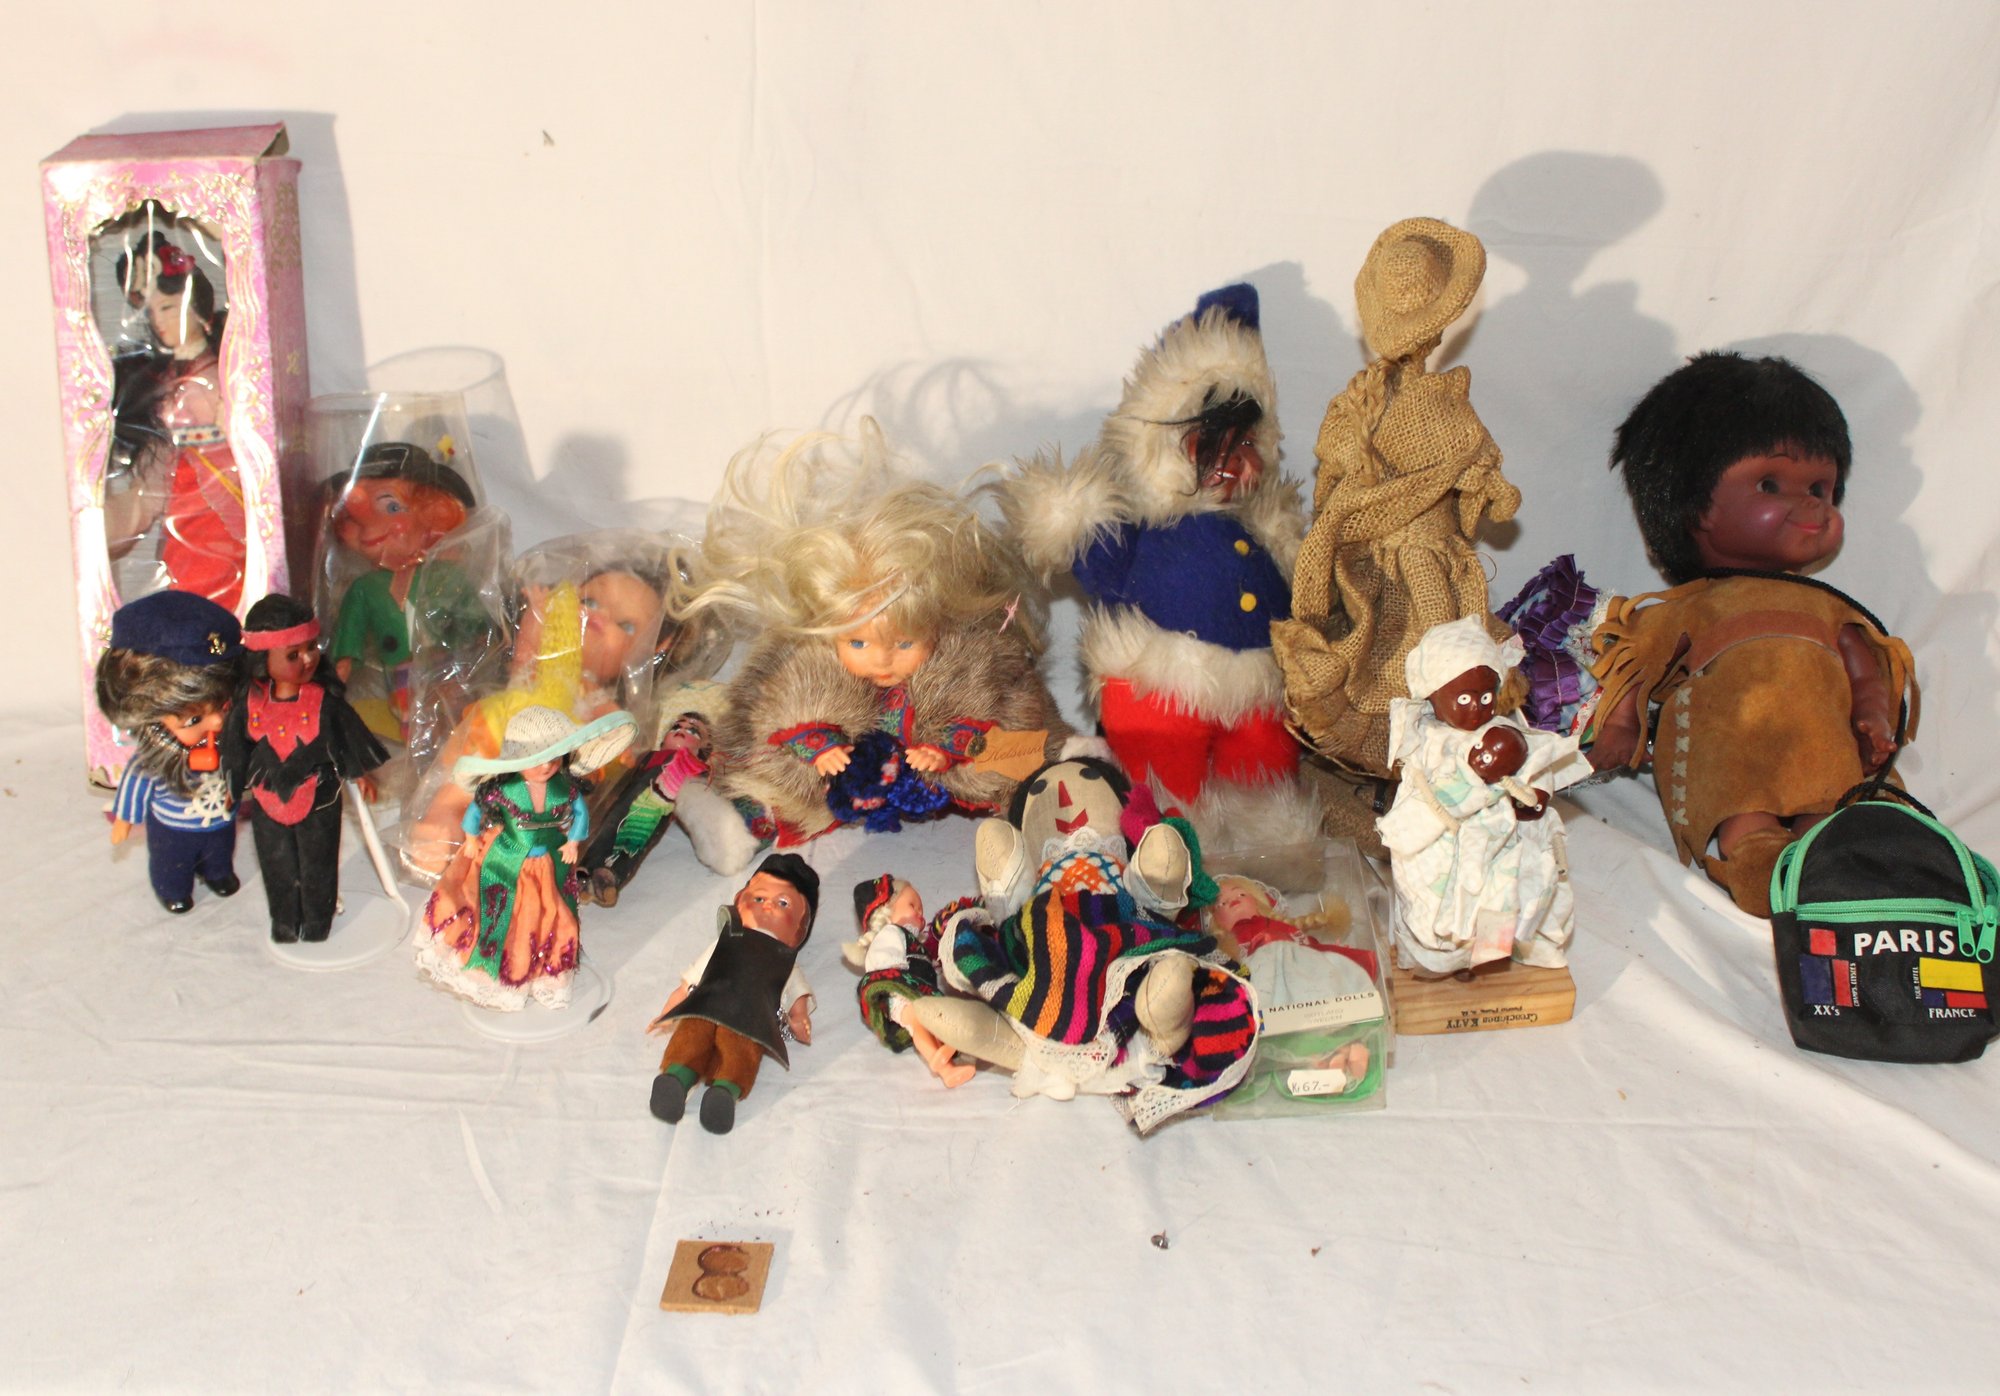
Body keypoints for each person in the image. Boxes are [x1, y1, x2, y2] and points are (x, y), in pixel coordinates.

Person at [1590, 353, 1918, 916]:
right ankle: (1757, 861)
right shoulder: (1691, 608)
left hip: (1821, 746)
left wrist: (1873, 717)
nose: (1811, 504)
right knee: (1741, 802)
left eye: (1821, 487)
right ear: (1692, 505)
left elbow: (1866, 672)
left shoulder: (1831, 607)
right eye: (1771, 483)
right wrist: (1620, 724)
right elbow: (1639, 663)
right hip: (1733, 745)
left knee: (1835, 804)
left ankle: (1836, 865)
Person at [673, 421, 1075, 852]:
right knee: (777, 786)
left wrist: (944, 751)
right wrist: (821, 747)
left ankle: (1056, 796)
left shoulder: (963, 668)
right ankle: (739, 822)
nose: (882, 660)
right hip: (849, 784)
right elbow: (781, 716)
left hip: (933, 778)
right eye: (858, 643)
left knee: (1016, 759)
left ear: (936, 627)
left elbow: (984, 718)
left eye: (904, 644)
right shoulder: (812, 673)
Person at [1378, 617, 1588, 975]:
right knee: (1438, 905)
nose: (1476, 708)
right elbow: (1420, 800)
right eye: (1463, 698)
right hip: (1442, 842)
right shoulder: (1426, 741)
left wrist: (1534, 794)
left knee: (1506, 898)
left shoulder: (1504, 730)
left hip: (1499, 845)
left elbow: (1538, 765)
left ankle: (1493, 954)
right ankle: (1443, 959)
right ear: (1432, 694)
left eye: (1486, 697)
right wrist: (1470, 776)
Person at [414, 705, 636, 1010]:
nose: (546, 767)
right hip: (505, 857)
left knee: (548, 913)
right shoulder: (505, 788)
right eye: (537, 759)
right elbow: (475, 811)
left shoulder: (563, 788)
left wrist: (573, 841)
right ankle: (491, 969)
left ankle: (536, 967)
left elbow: (580, 814)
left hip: (549, 861)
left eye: (554, 758)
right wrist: (470, 837)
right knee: (500, 910)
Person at [221, 594, 389, 942]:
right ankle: (284, 922)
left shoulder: (324, 701)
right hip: (268, 797)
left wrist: (359, 772)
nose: (309, 658)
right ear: (262, 658)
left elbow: (346, 736)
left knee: (319, 863)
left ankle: (317, 923)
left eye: (312, 647)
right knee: (276, 864)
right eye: (293, 654)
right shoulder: (250, 704)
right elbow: (234, 746)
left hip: (319, 796)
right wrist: (232, 785)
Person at [94, 590, 244, 914]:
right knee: (171, 864)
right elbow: (135, 784)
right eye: (194, 719)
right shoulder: (154, 762)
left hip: (220, 822)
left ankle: (217, 873)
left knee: (220, 852)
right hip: (173, 830)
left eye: (223, 706)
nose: (217, 721)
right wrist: (124, 820)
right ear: (153, 717)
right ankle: (172, 889)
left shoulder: (229, 744)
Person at [648, 854, 821, 1134]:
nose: (768, 907)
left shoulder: (785, 961)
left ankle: (724, 1093)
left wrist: (799, 1017)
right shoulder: (725, 942)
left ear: (799, 929)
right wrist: (672, 1007)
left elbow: (796, 993)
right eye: (759, 898)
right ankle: (677, 1078)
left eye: (783, 903)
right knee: (690, 1037)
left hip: (750, 1021)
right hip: (706, 1006)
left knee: (740, 1053)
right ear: (740, 901)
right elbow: (691, 980)